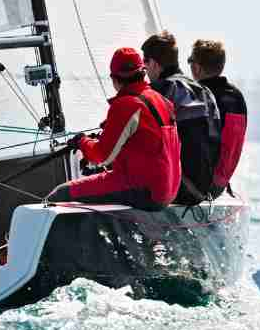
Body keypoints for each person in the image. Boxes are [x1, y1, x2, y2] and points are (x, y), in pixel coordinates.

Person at [46, 48, 181, 211]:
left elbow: (102, 157)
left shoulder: (126, 105)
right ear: (142, 73)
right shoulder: (161, 100)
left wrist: (82, 142)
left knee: (59, 195)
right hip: (169, 189)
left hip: (145, 190)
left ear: (114, 79)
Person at [141, 31, 222, 205]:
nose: (144, 69)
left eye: (145, 62)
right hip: (204, 189)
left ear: (154, 64)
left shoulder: (160, 90)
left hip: (179, 189)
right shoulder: (204, 90)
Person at [188, 39, 248, 199]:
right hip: (219, 185)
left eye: (190, 61)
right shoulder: (237, 96)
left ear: (197, 67)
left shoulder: (199, 95)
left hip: (199, 188)